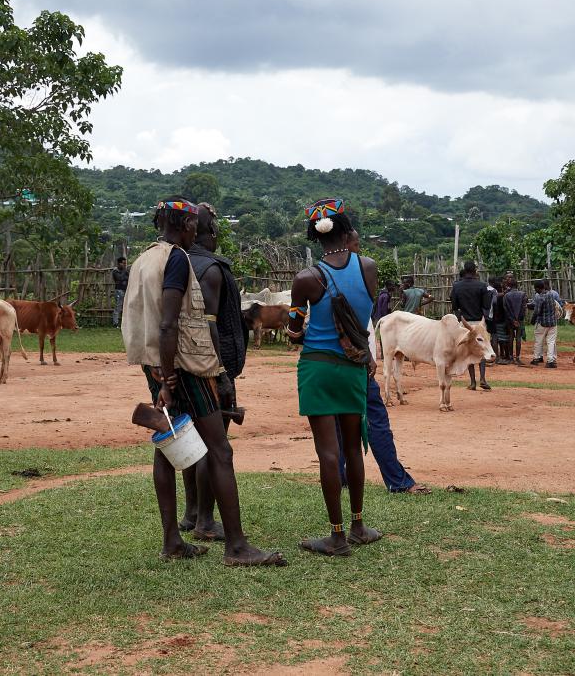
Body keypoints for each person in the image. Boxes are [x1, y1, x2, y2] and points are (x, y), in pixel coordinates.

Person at [123, 196, 285, 566]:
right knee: (220, 450)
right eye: (195, 224)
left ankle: (172, 541)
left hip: (156, 364)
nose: (198, 230)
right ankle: (237, 547)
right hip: (184, 366)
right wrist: (169, 378)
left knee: (168, 444)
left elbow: (144, 320)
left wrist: (158, 375)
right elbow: (169, 322)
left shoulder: (144, 258)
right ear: (184, 226)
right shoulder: (177, 259)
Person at [286, 198, 382, 556]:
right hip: (354, 369)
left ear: (315, 236)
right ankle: (358, 526)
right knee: (353, 449)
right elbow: (363, 313)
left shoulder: (306, 279)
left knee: (328, 453)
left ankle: (336, 536)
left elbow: (295, 330)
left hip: (318, 369)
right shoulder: (369, 267)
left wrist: (296, 329)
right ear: (347, 230)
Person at [338, 231, 430, 495]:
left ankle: (339, 474)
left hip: (335, 366)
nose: (359, 250)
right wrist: (367, 357)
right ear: (345, 244)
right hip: (357, 366)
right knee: (376, 422)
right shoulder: (357, 277)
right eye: (356, 244)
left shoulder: (321, 276)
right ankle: (397, 480)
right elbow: (353, 326)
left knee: (339, 424)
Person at [178, 202, 249, 541]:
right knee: (212, 444)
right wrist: (222, 374)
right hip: (208, 367)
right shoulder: (211, 269)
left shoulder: (177, 263)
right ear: (212, 232)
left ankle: (192, 513)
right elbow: (208, 326)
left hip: (179, 365)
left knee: (191, 441)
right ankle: (205, 520)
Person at [450, 260, 493, 390]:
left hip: (465, 324)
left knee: (469, 351)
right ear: (475, 271)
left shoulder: (457, 286)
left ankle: (473, 382)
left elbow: (454, 306)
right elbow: (486, 306)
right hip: (479, 322)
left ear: (464, 270)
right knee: (482, 349)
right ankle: (483, 379)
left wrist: (461, 319)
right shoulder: (482, 286)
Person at [529, 279, 562, 368]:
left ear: (538, 288)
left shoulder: (540, 297)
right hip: (552, 322)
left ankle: (536, 358)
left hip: (542, 322)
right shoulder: (551, 294)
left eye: (535, 288)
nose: (535, 290)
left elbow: (537, 311)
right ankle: (550, 361)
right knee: (551, 341)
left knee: (538, 340)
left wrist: (532, 320)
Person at [503, 276, 528, 366]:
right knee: (518, 338)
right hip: (519, 320)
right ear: (517, 285)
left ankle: (510, 357)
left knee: (510, 337)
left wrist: (513, 320)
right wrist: (518, 319)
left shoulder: (506, 295)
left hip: (510, 320)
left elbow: (506, 309)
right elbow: (523, 308)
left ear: (509, 286)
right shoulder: (523, 294)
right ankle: (517, 357)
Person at [111, 257, 129, 327]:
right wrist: (124, 274)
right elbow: (119, 278)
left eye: (125, 263)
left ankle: (124, 323)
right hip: (119, 291)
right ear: (119, 263)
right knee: (118, 307)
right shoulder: (115, 271)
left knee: (126, 307)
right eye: (123, 263)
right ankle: (115, 324)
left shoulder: (125, 271)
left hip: (125, 291)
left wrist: (124, 277)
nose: (124, 265)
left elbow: (128, 278)